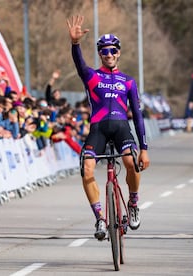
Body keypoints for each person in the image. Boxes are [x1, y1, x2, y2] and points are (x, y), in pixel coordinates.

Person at [67, 15, 150, 240]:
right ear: (100, 54)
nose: (109, 54)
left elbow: (138, 116)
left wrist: (144, 148)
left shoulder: (129, 81)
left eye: (113, 50)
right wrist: (75, 43)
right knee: (87, 168)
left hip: (122, 128)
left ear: (119, 52)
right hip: (98, 130)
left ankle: (133, 203)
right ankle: (100, 218)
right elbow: (79, 63)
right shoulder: (92, 76)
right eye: (104, 51)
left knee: (131, 162)